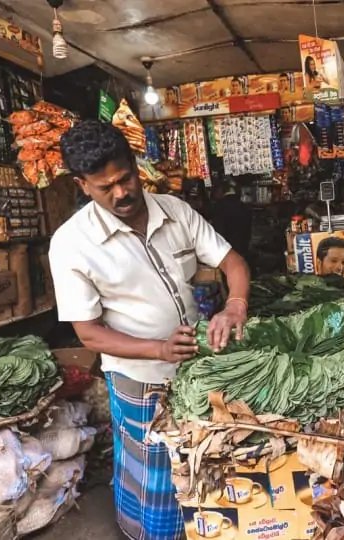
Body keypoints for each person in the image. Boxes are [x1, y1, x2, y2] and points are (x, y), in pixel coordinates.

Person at [49, 120, 250, 540]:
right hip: (139, 378)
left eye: (125, 178)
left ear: (136, 165)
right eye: (105, 187)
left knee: (202, 463)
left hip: (197, 368)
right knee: (153, 475)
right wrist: (157, 350)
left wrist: (234, 306)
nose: (120, 193)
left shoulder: (174, 210)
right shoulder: (71, 244)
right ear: (81, 184)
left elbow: (232, 262)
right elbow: (88, 334)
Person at [211, 180, 252, 261]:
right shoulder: (244, 207)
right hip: (242, 247)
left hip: (225, 249)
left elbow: (218, 229)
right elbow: (248, 229)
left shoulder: (219, 206)